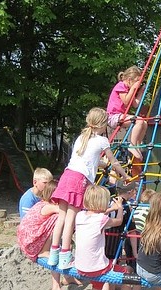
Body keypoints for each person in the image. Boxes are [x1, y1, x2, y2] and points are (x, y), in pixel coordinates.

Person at [49, 107, 132, 269]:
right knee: (71, 219)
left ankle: (54, 253)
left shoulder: (82, 137)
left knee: (62, 217)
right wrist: (124, 175)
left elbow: (87, 159)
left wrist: (102, 165)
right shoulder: (102, 141)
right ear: (102, 125)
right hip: (79, 180)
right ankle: (65, 255)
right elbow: (114, 162)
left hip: (67, 176)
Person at [74, 185, 145, 290]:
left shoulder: (80, 216)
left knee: (97, 283)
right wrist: (119, 208)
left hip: (81, 266)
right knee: (124, 274)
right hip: (98, 266)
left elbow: (98, 214)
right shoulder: (101, 219)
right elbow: (118, 221)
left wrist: (111, 208)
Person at [17, 180, 71, 290]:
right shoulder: (49, 207)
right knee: (59, 219)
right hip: (30, 242)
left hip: (26, 238)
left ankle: (65, 279)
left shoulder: (41, 204)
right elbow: (67, 214)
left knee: (58, 247)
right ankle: (44, 250)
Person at [106, 65, 148, 160]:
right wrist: (133, 89)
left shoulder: (128, 89)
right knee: (139, 121)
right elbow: (125, 101)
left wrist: (140, 92)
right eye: (137, 81)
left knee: (144, 123)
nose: (138, 84)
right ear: (129, 80)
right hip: (113, 116)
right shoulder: (120, 86)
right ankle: (132, 145)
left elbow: (135, 104)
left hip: (121, 116)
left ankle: (137, 144)